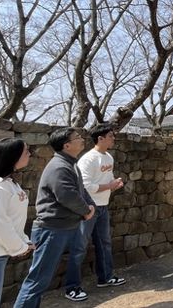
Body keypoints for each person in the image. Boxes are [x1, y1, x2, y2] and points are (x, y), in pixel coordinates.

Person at [14, 128, 95, 308]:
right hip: (51, 229)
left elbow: (81, 190)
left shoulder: (71, 164)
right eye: (77, 137)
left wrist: (90, 205)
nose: (82, 139)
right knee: (38, 279)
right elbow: (67, 195)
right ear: (67, 145)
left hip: (63, 227)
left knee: (41, 279)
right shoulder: (59, 166)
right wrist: (85, 210)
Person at [64, 123, 125, 301]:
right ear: (100, 138)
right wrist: (108, 186)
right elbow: (85, 187)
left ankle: (105, 277)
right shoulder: (88, 159)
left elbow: (108, 180)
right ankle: (72, 287)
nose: (114, 139)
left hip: (103, 206)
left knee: (104, 243)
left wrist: (114, 185)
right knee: (79, 247)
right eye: (111, 136)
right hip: (88, 208)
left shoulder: (108, 157)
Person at [0, 138, 34, 307]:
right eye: (26, 151)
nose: (30, 154)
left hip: (1, 253)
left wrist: (24, 241)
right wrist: (20, 247)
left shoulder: (10, 183)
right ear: (13, 156)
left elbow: (13, 219)